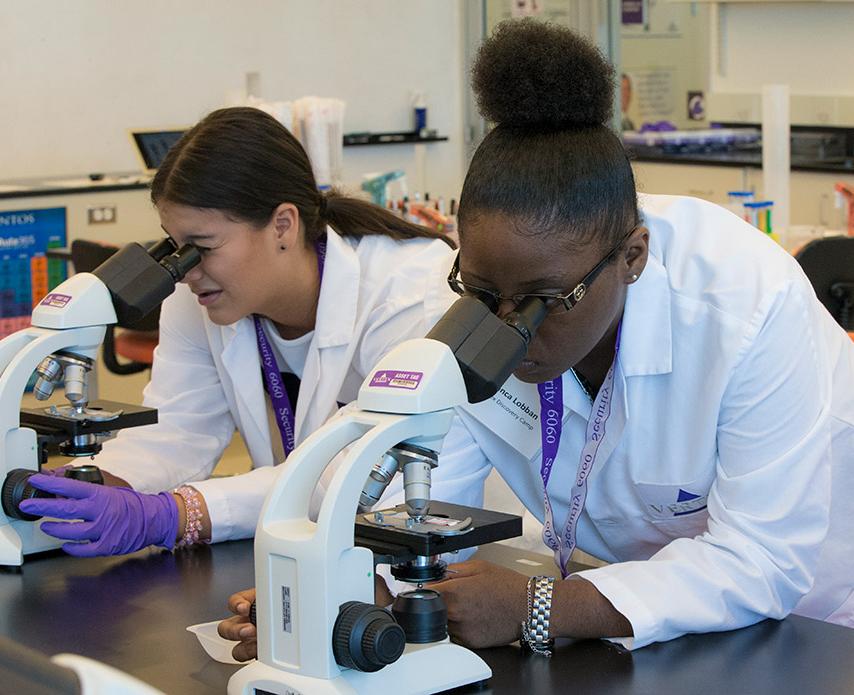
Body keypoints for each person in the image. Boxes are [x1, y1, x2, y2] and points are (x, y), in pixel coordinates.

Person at [220, 19, 853, 658]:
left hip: (813, 616)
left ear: (633, 256)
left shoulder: (744, 303)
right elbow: (435, 507)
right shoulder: (482, 299)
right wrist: (337, 595)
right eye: (483, 293)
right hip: (630, 610)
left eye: (544, 302)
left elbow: (761, 559)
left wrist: (537, 605)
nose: (505, 328)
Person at [20, 106, 487, 555]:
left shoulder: (407, 294)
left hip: (444, 549)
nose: (184, 270)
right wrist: (97, 485)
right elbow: (178, 431)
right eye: (176, 246)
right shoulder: (196, 296)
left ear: (283, 224)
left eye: (201, 246)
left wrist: (178, 514)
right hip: (299, 536)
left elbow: (357, 474)